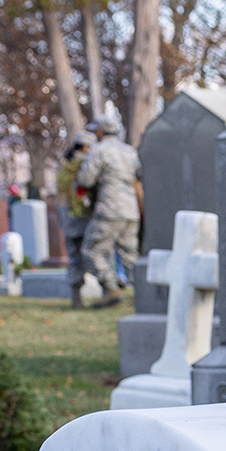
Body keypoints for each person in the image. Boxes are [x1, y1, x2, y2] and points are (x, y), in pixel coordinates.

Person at [75, 114, 143, 307]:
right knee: (130, 254)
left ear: (100, 131)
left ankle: (110, 287)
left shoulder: (98, 150)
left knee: (91, 249)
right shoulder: (130, 151)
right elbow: (138, 174)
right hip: (130, 210)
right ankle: (144, 295)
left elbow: (86, 179)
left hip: (109, 208)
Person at [57, 132, 95, 306]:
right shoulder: (85, 164)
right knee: (94, 254)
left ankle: (76, 298)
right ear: (86, 148)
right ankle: (108, 290)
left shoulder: (65, 166)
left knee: (74, 257)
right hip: (83, 216)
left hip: (68, 218)